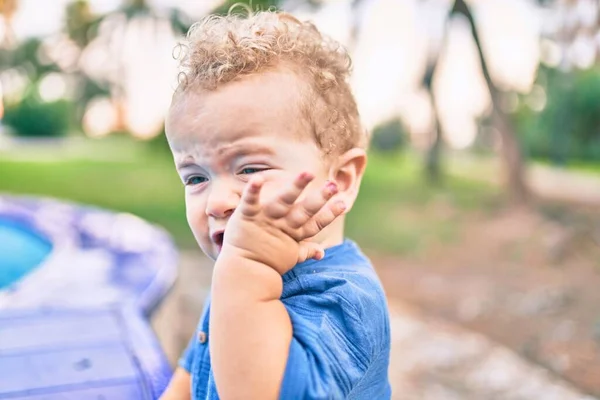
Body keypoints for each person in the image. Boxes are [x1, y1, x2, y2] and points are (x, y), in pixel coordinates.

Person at [159, 8, 391, 400]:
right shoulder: (242, 270)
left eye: (249, 169)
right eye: (196, 177)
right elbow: (193, 370)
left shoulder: (345, 300)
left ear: (341, 179)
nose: (217, 201)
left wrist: (243, 270)